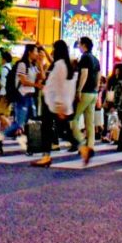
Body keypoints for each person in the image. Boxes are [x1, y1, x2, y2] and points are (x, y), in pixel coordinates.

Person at [31, 40, 76, 167]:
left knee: (51, 129)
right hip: (54, 102)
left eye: (54, 49)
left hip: (54, 103)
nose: (52, 51)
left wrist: (60, 106)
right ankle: (82, 148)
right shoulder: (63, 64)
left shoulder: (60, 65)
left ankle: (46, 156)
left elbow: (59, 86)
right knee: (60, 129)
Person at [0, 45, 43, 153]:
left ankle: (31, 147)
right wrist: (36, 85)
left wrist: (40, 64)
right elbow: (23, 81)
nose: (37, 54)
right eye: (36, 51)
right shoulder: (22, 64)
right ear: (29, 52)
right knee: (19, 123)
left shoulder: (33, 66)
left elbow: (42, 77)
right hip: (22, 96)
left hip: (30, 96)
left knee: (32, 121)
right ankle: (0, 137)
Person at [71, 36, 100, 164]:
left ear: (84, 45)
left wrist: (78, 90)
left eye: (79, 45)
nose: (79, 47)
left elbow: (84, 74)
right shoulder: (95, 59)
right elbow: (98, 76)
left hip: (85, 92)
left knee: (74, 119)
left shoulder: (85, 58)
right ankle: (91, 146)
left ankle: (81, 143)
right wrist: (97, 89)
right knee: (90, 122)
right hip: (93, 93)